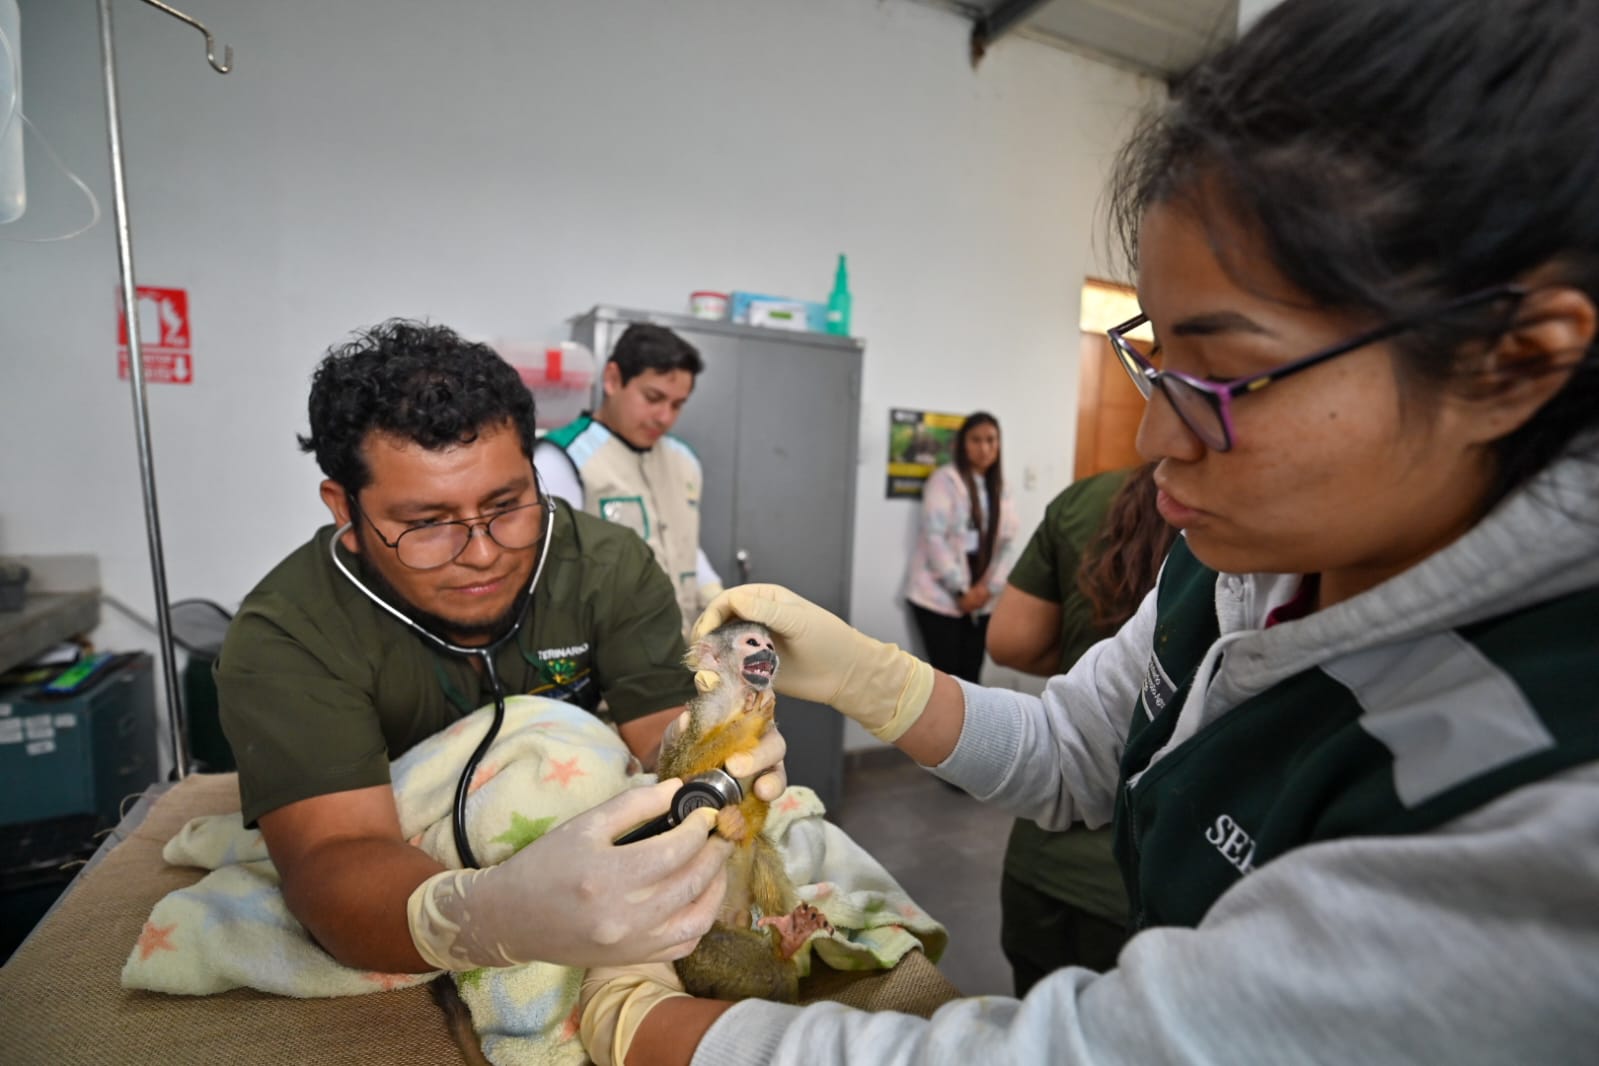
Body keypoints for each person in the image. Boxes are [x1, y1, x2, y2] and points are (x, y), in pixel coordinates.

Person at [577, 0, 1599, 1061]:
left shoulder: (1549, 805)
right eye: (1156, 360)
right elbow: (1076, 748)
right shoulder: (1243, 556)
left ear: (1511, 361)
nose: (1159, 434)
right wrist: (871, 675)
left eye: (1219, 370)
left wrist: (648, 1028)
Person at [214, 319, 784, 978]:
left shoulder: (605, 566)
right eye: (426, 524)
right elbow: (337, 857)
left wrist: (720, 747)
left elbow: (659, 732)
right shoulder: (289, 634)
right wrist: (495, 916)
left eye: (508, 505)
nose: (482, 554)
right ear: (344, 507)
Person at [986, 463, 1175, 990]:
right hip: (1136, 885)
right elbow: (1057, 737)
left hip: (1054, 868)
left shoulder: (1087, 505)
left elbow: (1011, 642)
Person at [535, 323, 723, 634]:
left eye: (677, 404)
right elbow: (547, 576)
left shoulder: (684, 461)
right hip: (609, 654)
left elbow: (684, 544)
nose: (665, 417)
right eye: (653, 397)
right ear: (612, 379)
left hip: (682, 646)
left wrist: (716, 598)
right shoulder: (563, 460)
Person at [902, 411, 1019, 684]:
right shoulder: (945, 480)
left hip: (981, 602)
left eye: (991, 440)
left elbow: (1008, 543)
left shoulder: (1001, 488)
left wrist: (988, 590)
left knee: (971, 680)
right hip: (939, 597)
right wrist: (960, 590)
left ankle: (969, 730)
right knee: (947, 682)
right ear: (962, 445)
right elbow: (935, 538)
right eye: (976, 440)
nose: (984, 448)